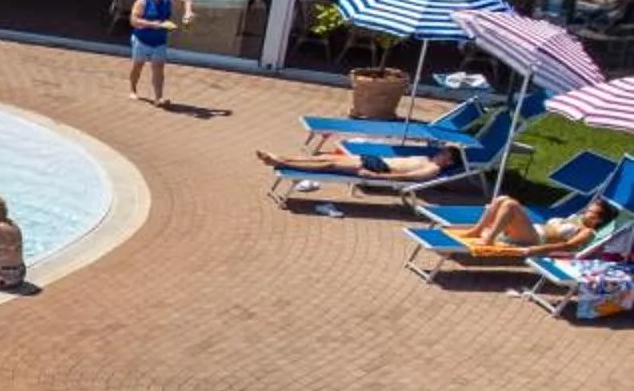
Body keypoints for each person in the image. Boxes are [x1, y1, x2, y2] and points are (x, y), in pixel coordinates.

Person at [458, 195, 613, 255]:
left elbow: (568, 246)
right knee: (502, 199)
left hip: (535, 240)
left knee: (511, 205)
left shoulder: (587, 231)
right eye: (588, 208)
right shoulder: (576, 219)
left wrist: (537, 250)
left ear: (598, 220)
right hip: (531, 231)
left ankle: (489, 240)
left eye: (591, 212)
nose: (586, 211)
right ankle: (477, 230)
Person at [127, 0, 192, 104]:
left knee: (158, 69)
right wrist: (153, 24)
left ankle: (158, 98)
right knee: (138, 66)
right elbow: (133, 21)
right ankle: (133, 90)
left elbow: (187, 1)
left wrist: (188, 13)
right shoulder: (142, 2)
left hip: (160, 41)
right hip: (142, 39)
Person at [254, 142, 467, 181]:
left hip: (378, 167)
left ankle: (281, 164)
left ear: (448, 162)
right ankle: (281, 157)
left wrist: (375, 176)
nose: (440, 152)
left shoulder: (432, 169)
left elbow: (406, 177)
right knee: (324, 157)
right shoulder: (427, 158)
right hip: (376, 159)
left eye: (445, 153)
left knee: (328, 166)